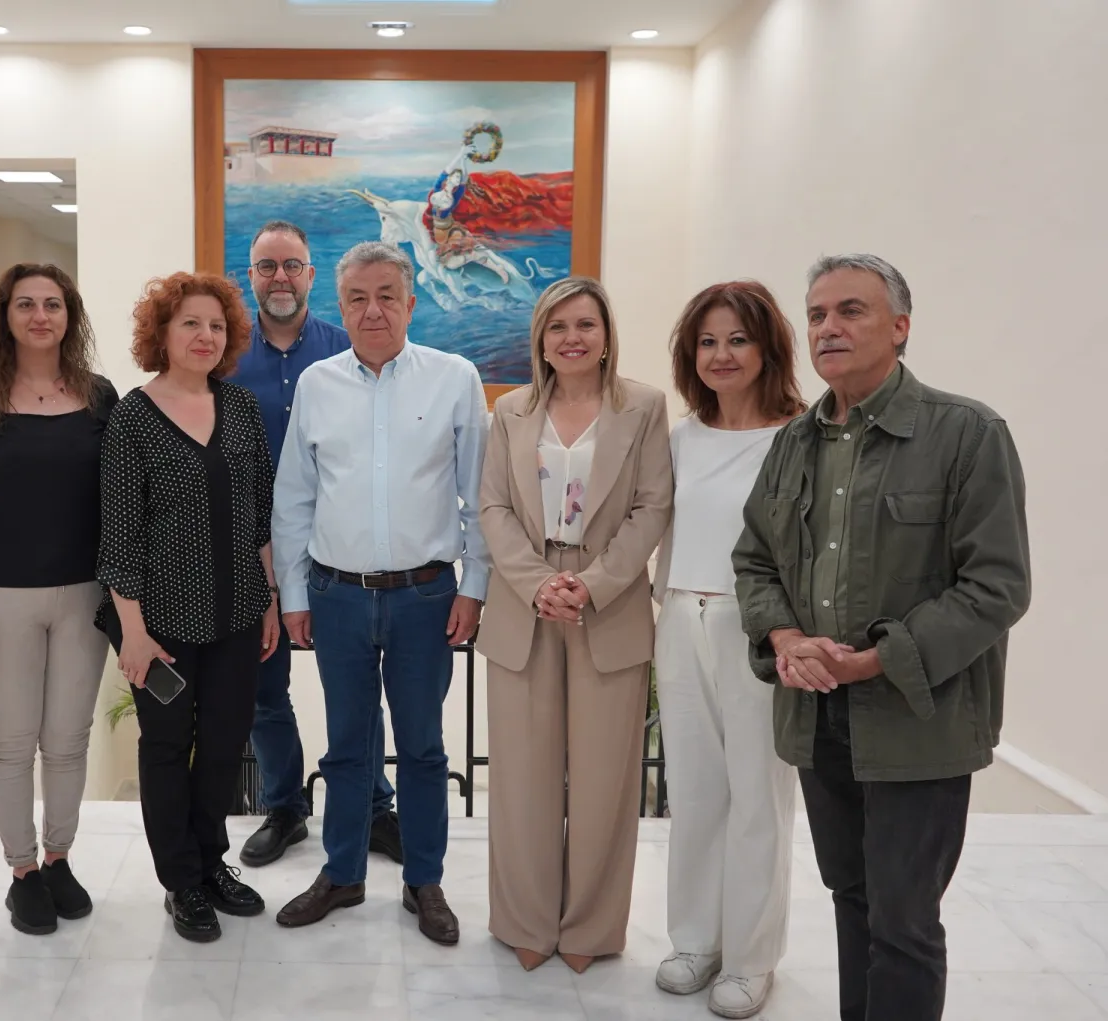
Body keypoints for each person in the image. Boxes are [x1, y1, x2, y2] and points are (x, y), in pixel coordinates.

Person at [734, 254, 1030, 1021]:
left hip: (918, 721)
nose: (828, 327)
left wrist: (877, 660)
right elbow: (755, 559)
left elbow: (997, 585)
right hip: (819, 718)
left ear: (900, 327)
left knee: (903, 921)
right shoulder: (794, 443)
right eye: (817, 314)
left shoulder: (967, 434)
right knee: (852, 898)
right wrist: (787, 636)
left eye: (851, 310)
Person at [272, 240, 488, 947]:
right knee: (345, 747)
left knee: (423, 747)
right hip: (335, 596)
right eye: (358, 299)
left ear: (411, 303)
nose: (373, 311)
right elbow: (294, 498)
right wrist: (294, 594)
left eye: (386, 296)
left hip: (426, 598)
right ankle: (342, 873)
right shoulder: (317, 385)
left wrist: (475, 585)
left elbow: (479, 495)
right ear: (340, 308)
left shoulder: (454, 378)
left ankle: (424, 880)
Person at [475, 275, 672, 973]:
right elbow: (493, 506)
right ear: (540, 339)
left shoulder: (644, 407)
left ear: (607, 334)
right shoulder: (511, 411)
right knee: (522, 779)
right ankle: (525, 919)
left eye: (585, 324)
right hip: (524, 605)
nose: (572, 338)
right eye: (557, 326)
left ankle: (590, 926)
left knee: (603, 781)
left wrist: (592, 584)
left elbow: (652, 505)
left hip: (607, 605)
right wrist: (538, 584)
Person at [95, 271, 280, 943]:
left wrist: (269, 599)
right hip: (162, 626)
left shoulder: (242, 408)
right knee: (168, 748)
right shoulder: (132, 418)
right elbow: (119, 537)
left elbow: (260, 516)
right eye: (190, 323)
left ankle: (210, 863)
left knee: (226, 744)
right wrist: (133, 633)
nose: (205, 336)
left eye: (217, 326)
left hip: (238, 615)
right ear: (163, 333)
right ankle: (181, 881)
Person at [0, 263, 118, 936]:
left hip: (85, 595)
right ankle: (22, 872)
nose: (40, 316)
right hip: (1, 594)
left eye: (52, 304)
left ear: (70, 315)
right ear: (5, 316)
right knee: (12, 744)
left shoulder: (99, 396)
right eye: (26, 304)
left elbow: (121, 499)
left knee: (68, 741)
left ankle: (58, 858)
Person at [651, 281, 806, 1018]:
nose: (721, 354)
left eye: (738, 339)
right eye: (707, 341)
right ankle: (695, 941)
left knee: (757, 798)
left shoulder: (801, 437)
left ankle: (750, 958)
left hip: (759, 629)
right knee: (695, 792)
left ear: (768, 347)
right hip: (681, 616)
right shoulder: (683, 438)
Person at [230, 220, 402, 870]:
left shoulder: (348, 350)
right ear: (250, 276)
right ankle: (284, 808)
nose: (280, 277)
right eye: (267, 266)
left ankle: (374, 807)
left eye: (292, 265)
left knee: (355, 689)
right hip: (249, 551)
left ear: (310, 273)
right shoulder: (225, 357)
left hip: (338, 551)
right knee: (262, 689)